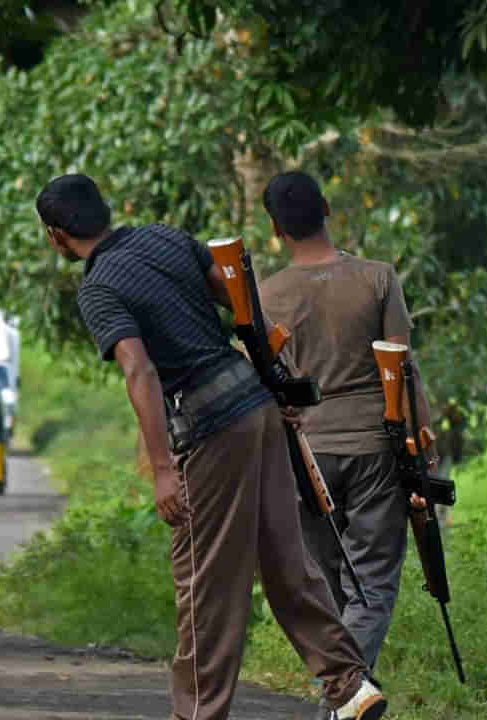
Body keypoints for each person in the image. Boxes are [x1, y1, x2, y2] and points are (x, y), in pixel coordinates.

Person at [35, 173, 386, 720]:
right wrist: (279, 378)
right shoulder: (166, 237)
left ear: (57, 236)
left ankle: (197, 713)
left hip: (212, 428)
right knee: (285, 560)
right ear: (104, 210)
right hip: (257, 407)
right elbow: (241, 304)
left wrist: (161, 471)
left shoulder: (99, 288)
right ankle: (349, 685)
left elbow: (140, 371)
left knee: (204, 583)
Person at [259, 171, 436, 681]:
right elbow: (401, 368)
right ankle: (347, 700)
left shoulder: (267, 295)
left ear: (277, 228)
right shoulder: (378, 278)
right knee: (373, 585)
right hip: (375, 449)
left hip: (306, 455)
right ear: (328, 209)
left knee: (330, 586)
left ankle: (345, 694)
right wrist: (422, 447)